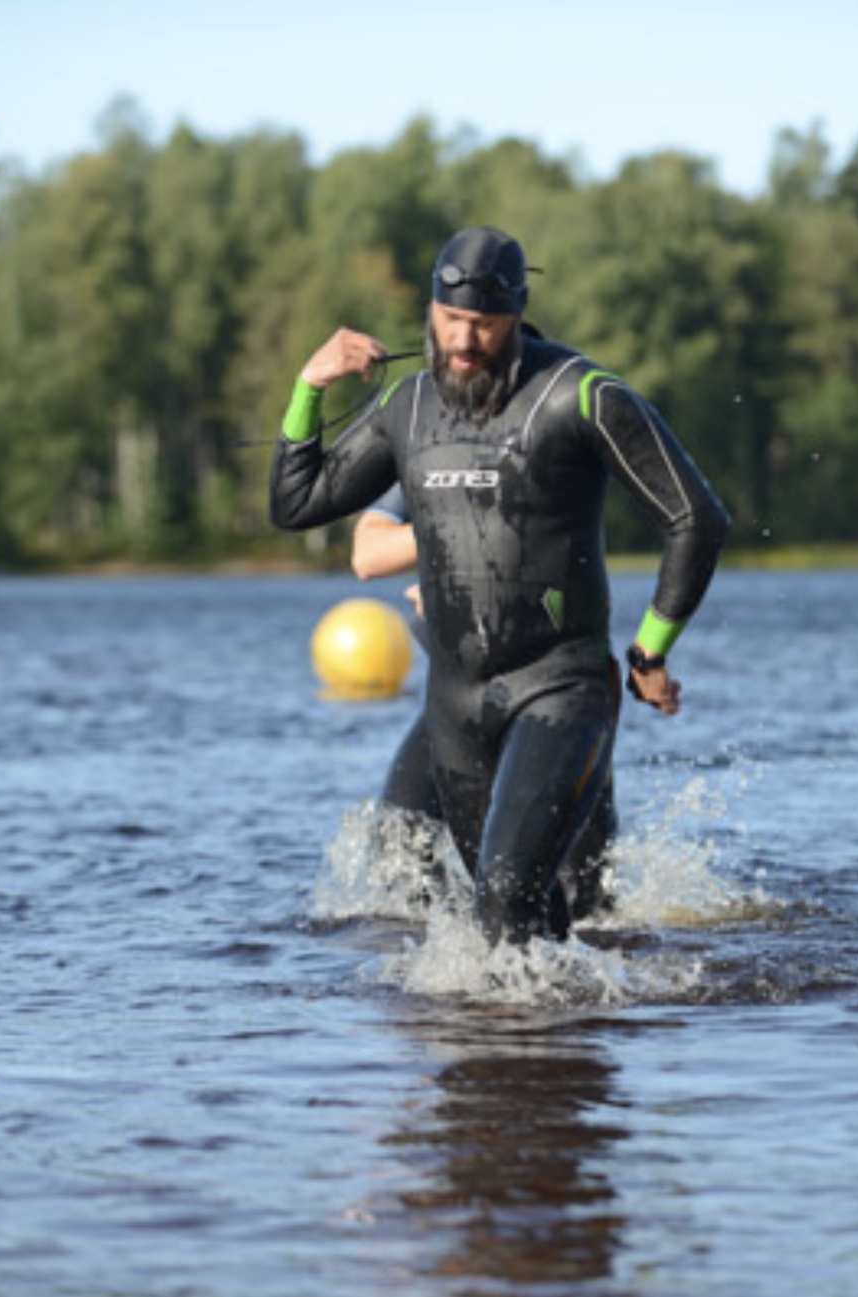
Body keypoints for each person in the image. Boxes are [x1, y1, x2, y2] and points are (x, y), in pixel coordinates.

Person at [272, 226, 730, 945]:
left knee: (505, 901)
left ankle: (572, 1041)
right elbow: (295, 503)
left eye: (482, 325)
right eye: (450, 320)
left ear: (516, 316)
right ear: (430, 312)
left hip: (560, 688)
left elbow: (695, 517)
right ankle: (575, 1038)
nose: (463, 341)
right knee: (511, 924)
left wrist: (649, 652)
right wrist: (310, 384)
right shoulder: (409, 406)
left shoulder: (578, 394)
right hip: (455, 704)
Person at [351, 484, 617, 922]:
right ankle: (457, 965)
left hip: (557, 696)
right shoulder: (431, 444)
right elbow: (368, 551)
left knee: (588, 903)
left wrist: (456, 563)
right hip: (464, 697)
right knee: (397, 855)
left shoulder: (544, 434)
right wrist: (447, 561)